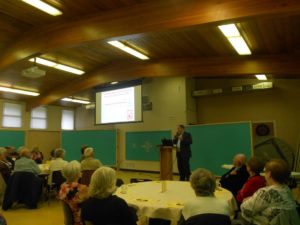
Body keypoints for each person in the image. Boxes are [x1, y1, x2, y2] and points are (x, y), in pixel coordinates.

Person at [240, 159, 300, 225]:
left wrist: (245, 201)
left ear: (269, 174)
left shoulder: (265, 192)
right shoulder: (287, 189)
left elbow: (246, 210)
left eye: (265, 171)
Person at [59, 161, 89, 225]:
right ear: (78, 174)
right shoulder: (82, 189)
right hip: (81, 221)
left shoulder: (63, 186)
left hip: (71, 220)